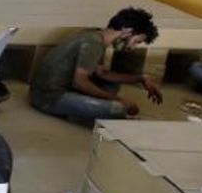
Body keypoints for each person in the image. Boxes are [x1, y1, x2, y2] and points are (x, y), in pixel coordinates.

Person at [28, 7, 163, 125]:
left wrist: (140, 78)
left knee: (112, 85)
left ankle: (82, 111)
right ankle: (81, 115)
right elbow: (80, 81)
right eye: (136, 41)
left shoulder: (96, 35)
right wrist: (118, 100)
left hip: (57, 89)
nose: (132, 47)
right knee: (118, 109)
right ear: (127, 31)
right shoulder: (94, 44)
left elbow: (102, 73)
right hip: (49, 97)